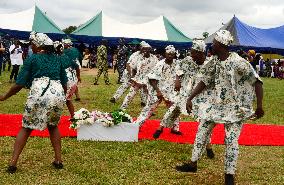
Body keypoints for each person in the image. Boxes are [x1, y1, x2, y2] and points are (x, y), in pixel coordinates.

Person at [175, 30, 264, 185]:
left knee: (230, 140)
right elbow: (204, 80)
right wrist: (190, 98)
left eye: (214, 43)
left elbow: (257, 81)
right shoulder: (214, 61)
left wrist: (260, 106)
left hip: (235, 109)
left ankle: (229, 175)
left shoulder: (239, 63)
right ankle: (193, 163)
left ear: (221, 45)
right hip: (216, 106)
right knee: (201, 132)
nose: (211, 45)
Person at [0, 32, 68, 174]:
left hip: (40, 93)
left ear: (38, 45)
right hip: (57, 94)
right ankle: (58, 160)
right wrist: (64, 98)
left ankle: (13, 163)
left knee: (26, 127)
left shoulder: (33, 59)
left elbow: (19, 84)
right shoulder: (58, 59)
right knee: (53, 126)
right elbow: (65, 82)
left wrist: (4, 97)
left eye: (32, 44)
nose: (31, 46)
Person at [154, 40, 215, 158]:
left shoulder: (209, 64)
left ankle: (208, 146)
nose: (191, 55)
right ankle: (160, 128)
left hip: (201, 95)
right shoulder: (187, 60)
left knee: (204, 120)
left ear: (201, 52)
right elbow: (179, 69)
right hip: (186, 90)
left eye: (193, 53)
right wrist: (177, 80)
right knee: (174, 109)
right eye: (191, 52)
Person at [134, 45, 182, 137]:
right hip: (158, 89)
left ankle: (175, 128)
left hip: (171, 90)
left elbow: (179, 74)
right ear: (165, 54)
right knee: (149, 109)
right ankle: (136, 126)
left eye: (172, 54)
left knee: (174, 108)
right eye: (168, 54)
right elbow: (152, 79)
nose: (170, 56)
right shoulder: (160, 64)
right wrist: (158, 91)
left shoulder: (177, 63)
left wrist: (177, 81)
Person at [120, 41, 158, 110]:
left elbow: (157, 70)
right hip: (137, 79)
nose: (145, 51)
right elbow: (133, 68)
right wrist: (132, 77)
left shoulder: (154, 58)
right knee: (130, 95)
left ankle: (148, 110)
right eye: (143, 49)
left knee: (149, 96)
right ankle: (122, 109)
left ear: (150, 50)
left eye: (147, 49)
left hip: (148, 80)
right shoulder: (138, 57)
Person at [55, 40, 81, 117]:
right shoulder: (66, 57)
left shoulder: (57, 59)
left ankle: (55, 118)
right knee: (67, 100)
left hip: (66, 82)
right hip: (73, 82)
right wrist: (78, 76)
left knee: (59, 100)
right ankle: (73, 116)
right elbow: (76, 66)